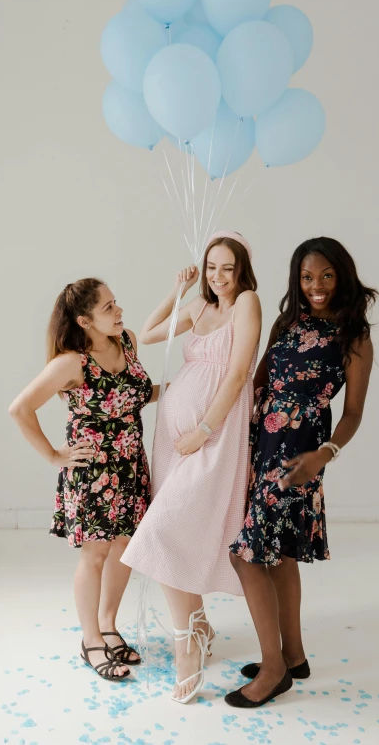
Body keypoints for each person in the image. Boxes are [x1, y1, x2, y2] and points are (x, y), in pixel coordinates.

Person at [227, 237, 378, 709]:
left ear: (343, 277)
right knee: (279, 555)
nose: (316, 286)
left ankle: (273, 671)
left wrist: (324, 455)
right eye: (307, 277)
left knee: (247, 556)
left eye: (327, 276)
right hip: (262, 444)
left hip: (299, 455)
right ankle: (293, 657)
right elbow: (258, 382)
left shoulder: (354, 337)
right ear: (297, 279)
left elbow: (352, 413)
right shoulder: (287, 322)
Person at [121, 231, 261, 704]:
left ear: (241, 269)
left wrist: (204, 428)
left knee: (162, 531)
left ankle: (187, 642)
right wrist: (176, 289)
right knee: (168, 532)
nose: (218, 277)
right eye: (210, 267)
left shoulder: (247, 303)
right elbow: (145, 332)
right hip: (171, 438)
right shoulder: (199, 307)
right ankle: (196, 624)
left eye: (227, 268)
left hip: (211, 436)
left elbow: (239, 372)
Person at [9, 278, 156, 682]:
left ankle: (108, 625)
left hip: (130, 466)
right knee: (95, 555)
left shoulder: (126, 340)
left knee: (125, 547)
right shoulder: (71, 362)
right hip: (93, 473)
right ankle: (90, 640)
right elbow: (20, 408)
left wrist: (189, 391)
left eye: (116, 302)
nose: (119, 311)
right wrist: (55, 456)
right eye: (109, 307)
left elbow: (134, 394)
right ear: (84, 320)